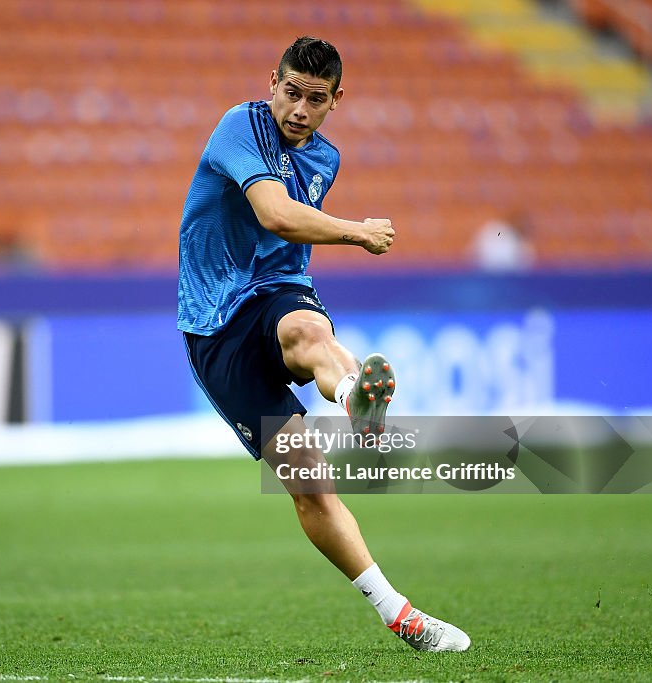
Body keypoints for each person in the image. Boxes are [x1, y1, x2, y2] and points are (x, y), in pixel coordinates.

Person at [177, 37, 470, 652]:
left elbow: (287, 245)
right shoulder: (239, 126)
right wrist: (357, 231)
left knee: (307, 332)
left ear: (337, 100)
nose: (299, 110)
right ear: (272, 82)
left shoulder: (324, 158)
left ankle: (356, 397)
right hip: (214, 323)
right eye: (290, 92)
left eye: (315, 99)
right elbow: (276, 215)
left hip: (279, 292)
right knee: (308, 481)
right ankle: (395, 608)